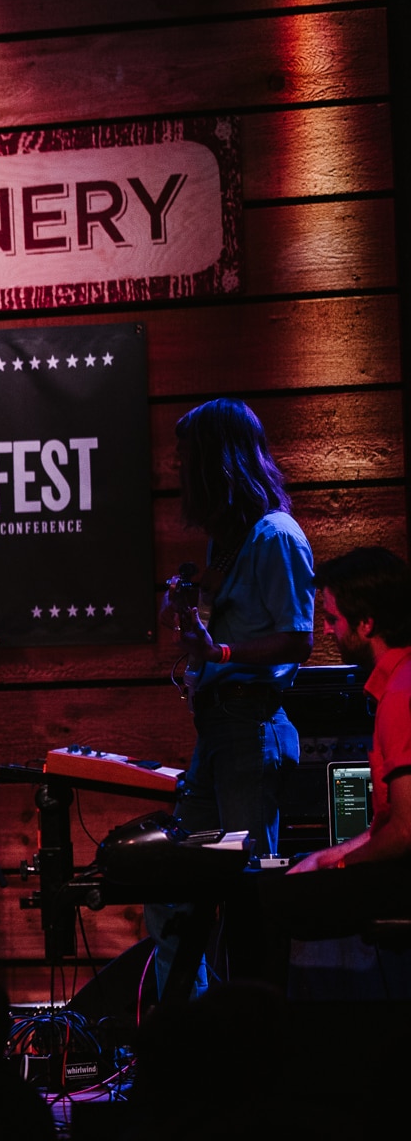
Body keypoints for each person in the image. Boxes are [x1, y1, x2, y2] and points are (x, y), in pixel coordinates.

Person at [148, 399, 313, 995]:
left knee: (247, 895)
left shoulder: (275, 534)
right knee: (173, 890)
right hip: (219, 730)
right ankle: (189, 1029)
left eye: (186, 456)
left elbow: (298, 637)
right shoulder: (230, 541)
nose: (176, 467)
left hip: (249, 725)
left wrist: (217, 651)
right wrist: (190, 616)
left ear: (218, 460)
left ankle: (249, 1034)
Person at [289, 547, 409, 872]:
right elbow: (388, 826)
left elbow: (405, 832)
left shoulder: (401, 694)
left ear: (366, 623)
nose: (327, 630)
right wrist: (321, 859)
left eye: (332, 619)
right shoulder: (398, 682)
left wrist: (339, 869)